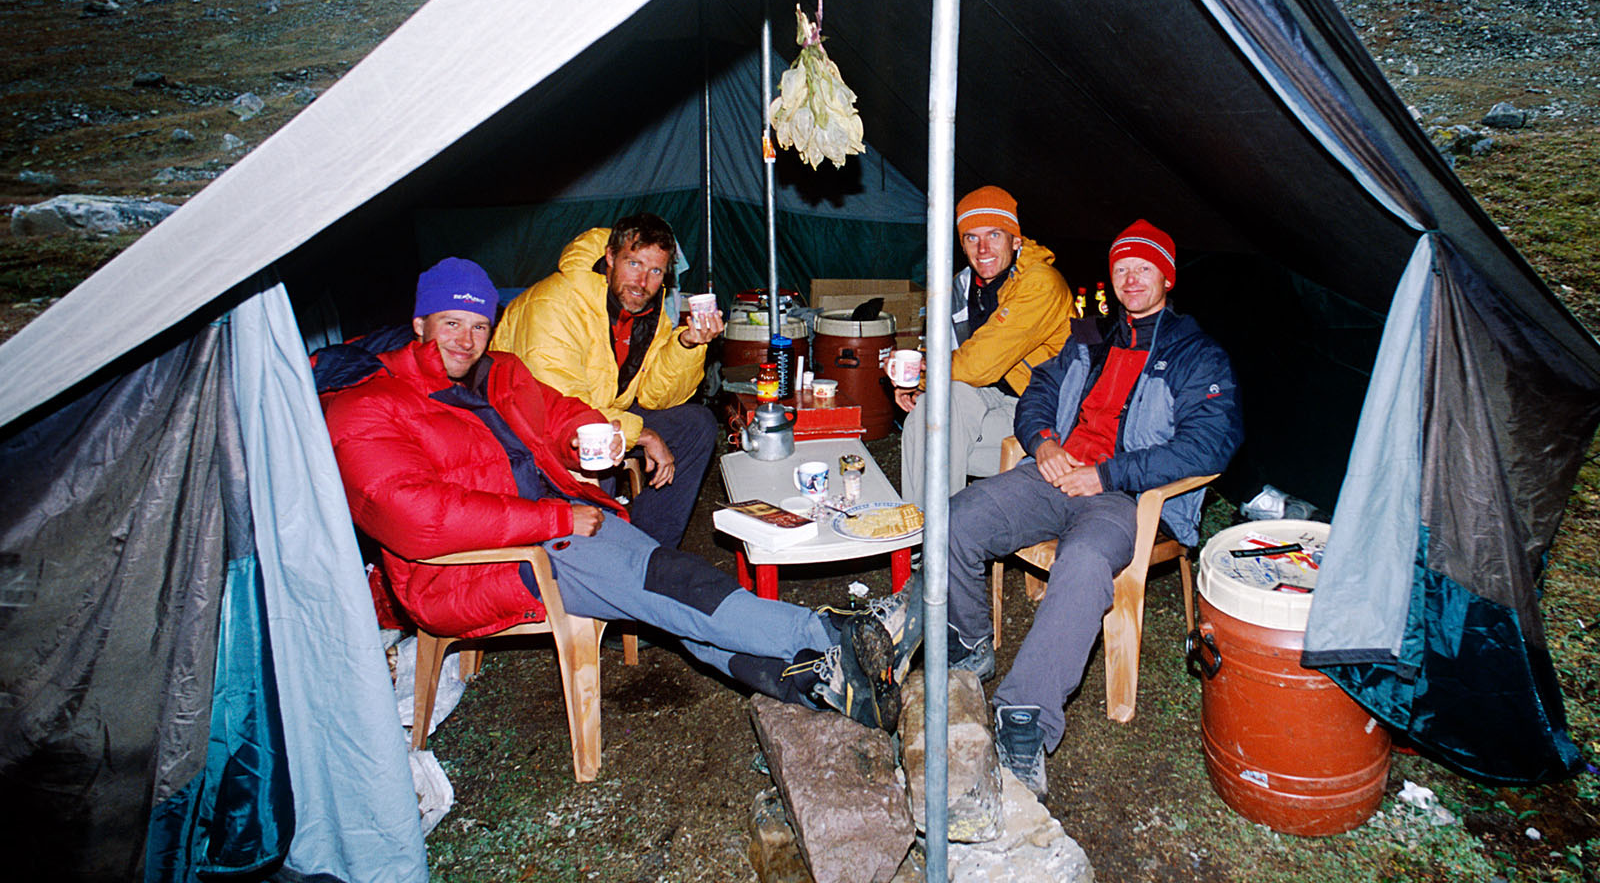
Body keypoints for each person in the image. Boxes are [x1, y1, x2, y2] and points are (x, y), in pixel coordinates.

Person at [322, 258, 922, 731]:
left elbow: (558, 415)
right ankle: (828, 636)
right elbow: (415, 518)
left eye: (479, 325)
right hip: (479, 566)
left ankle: (820, 686)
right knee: (668, 586)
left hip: (558, 528)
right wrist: (553, 514)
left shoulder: (497, 372)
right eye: (452, 323)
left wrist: (592, 437)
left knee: (676, 600)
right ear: (420, 322)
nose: (467, 339)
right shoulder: (366, 405)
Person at [943, 220, 1243, 800]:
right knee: (958, 518)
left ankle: (1025, 716)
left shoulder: (1196, 354)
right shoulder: (1087, 339)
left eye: (1143, 267)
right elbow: (1035, 393)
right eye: (1121, 267)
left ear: (1167, 276)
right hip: (1053, 474)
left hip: (1119, 496)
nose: (1130, 278)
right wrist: (1045, 442)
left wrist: (1106, 473)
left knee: (1083, 565)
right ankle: (971, 644)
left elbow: (1208, 444)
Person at [492, 214, 723, 548]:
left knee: (695, 424)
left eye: (656, 271)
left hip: (600, 418)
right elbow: (561, 407)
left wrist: (688, 343)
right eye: (633, 264)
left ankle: (651, 551)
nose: (642, 282)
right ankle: (614, 559)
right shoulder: (555, 303)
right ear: (611, 258)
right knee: (598, 457)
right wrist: (641, 435)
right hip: (533, 432)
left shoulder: (647, 311)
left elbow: (656, 396)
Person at [897, 185, 1071, 507]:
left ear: (1016, 240)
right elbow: (949, 354)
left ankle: (942, 542)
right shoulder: (964, 287)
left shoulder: (1040, 284)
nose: (983, 248)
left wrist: (922, 376)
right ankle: (927, 537)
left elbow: (978, 364)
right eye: (971, 237)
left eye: (994, 234)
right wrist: (914, 374)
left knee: (936, 438)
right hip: (991, 395)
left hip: (1042, 406)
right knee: (927, 416)